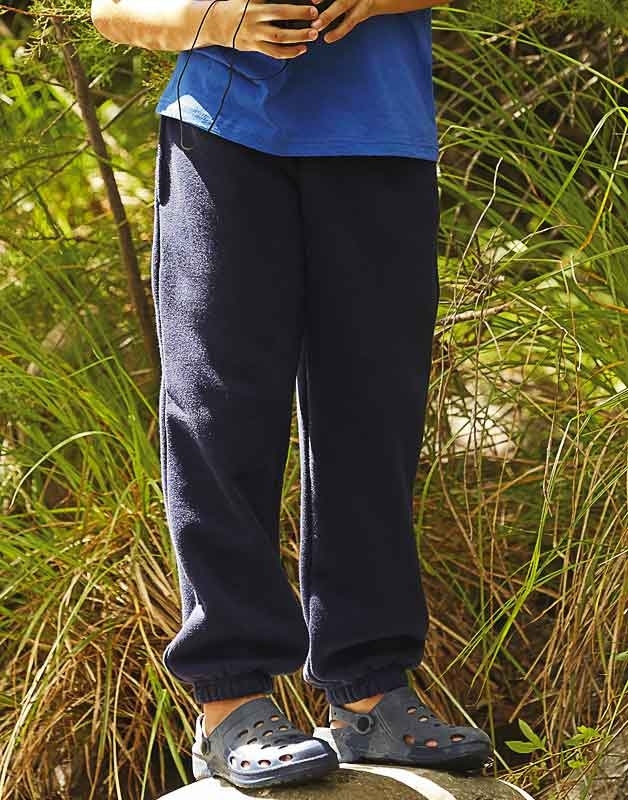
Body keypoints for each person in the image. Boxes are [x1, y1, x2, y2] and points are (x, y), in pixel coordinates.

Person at [90, 0, 493, 789]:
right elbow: (113, 10)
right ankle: (230, 699)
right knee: (218, 413)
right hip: (222, 136)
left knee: (371, 416)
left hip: (383, 143)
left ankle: (369, 693)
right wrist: (221, 18)